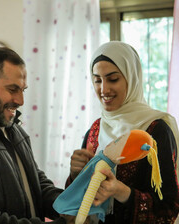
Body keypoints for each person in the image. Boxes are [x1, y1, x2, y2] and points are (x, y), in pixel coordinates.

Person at [66, 41, 179, 223]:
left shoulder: (155, 131)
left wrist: (121, 191)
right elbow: (77, 202)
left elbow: (168, 209)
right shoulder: (95, 130)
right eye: (97, 80)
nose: (103, 89)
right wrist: (75, 174)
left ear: (131, 78)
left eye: (113, 79)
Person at [0, 47, 72, 224]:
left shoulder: (10, 125)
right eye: (12, 89)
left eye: (22, 90)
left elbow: (35, 183)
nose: (20, 101)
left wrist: (70, 206)